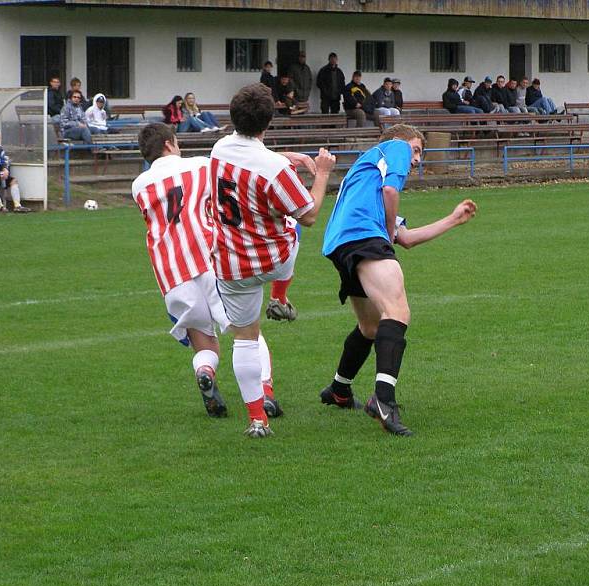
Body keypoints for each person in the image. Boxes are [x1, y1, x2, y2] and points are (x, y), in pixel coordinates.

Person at [319, 124, 477, 436]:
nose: (416, 159)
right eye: (417, 149)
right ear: (399, 142)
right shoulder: (394, 148)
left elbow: (404, 237)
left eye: (419, 153)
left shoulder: (366, 183)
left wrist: (453, 220)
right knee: (398, 312)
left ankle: (338, 389)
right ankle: (383, 400)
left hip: (342, 242)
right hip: (363, 236)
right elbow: (392, 195)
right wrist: (387, 229)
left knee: (371, 327)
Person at [209, 83, 336, 438]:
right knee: (294, 223)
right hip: (272, 258)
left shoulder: (220, 149)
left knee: (246, 339)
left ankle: (257, 421)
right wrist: (322, 172)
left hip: (232, 264)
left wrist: (284, 156)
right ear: (269, 122)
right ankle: (279, 297)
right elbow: (309, 214)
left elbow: (250, 154)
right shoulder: (274, 170)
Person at [131, 123, 282, 419]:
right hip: (210, 258)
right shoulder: (201, 166)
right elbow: (244, 166)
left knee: (204, 341)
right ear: (170, 144)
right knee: (247, 331)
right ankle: (265, 392)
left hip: (170, 271)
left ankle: (205, 371)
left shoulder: (139, 185)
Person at [0, 129, 31, 213]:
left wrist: (5, 170)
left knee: (13, 180)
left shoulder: (0, 150)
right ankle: (1, 207)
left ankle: (17, 206)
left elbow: (3, 163)